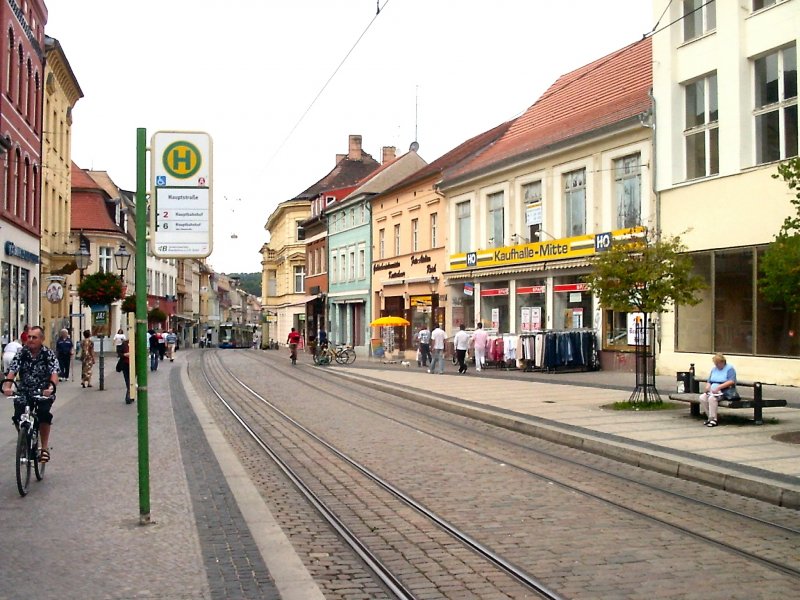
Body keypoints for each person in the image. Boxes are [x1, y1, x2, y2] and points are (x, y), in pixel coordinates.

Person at [4, 326, 59, 463]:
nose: (31, 340)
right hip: (24, 390)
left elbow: (54, 374)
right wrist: (8, 386)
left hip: (42, 391)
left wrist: (50, 388)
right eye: (29, 337)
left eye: (34, 337)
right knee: (18, 416)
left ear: (41, 339)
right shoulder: (21, 353)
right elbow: (12, 371)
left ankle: (44, 448)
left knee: (44, 415)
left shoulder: (48, 354)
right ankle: (23, 438)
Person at [698, 353, 738, 428]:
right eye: (715, 363)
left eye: (718, 363)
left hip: (724, 391)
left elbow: (731, 381)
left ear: (722, 362)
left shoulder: (730, 369)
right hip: (712, 391)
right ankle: (710, 417)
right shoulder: (714, 369)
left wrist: (719, 387)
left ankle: (714, 419)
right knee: (702, 398)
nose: (716, 365)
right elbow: (709, 380)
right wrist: (708, 386)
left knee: (712, 399)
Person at [119, 338, 133, 404]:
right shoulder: (124, 344)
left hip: (133, 365)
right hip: (125, 364)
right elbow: (119, 353)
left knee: (131, 380)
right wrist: (124, 354)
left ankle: (129, 395)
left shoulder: (136, 343)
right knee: (128, 381)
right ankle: (129, 395)